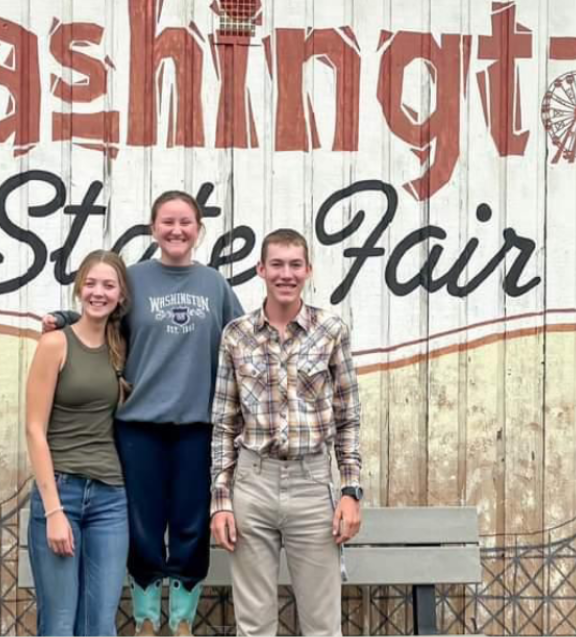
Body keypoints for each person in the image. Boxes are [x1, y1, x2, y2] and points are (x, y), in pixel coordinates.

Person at [43, 190, 244, 636]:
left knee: (192, 525)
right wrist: (61, 315)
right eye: (167, 222)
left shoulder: (214, 284)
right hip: (138, 426)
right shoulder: (133, 280)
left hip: (198, 427)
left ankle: (182, 623)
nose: (176, 230)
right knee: (143, 525)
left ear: (198, 229)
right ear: (153, 228)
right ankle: (147, 621)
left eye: (185, 222)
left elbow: (242, 338)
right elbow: (98, 313)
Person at [209, 228, 363, 637]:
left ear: (308, 270)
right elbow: (224, 423)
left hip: (312, 484)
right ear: (261, 269)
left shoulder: (331, 331)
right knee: (254, 626)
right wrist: (221, 501)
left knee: (322, 625)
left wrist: (350, 492)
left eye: (295, 264)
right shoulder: (236, 335)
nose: (286, 274)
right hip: (252, 483)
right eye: (276, 264)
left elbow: (348, 417)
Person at [25, 250, 132, 636]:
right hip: (62, 493)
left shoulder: (122, 345)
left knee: (100, 624)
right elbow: (35, 430)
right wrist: (53, 511)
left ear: (121, 295)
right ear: (78, 289)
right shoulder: (55, 344)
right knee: (59, 623)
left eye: (108, 285)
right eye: (90, 283)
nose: (98, 292)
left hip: (110, 498)